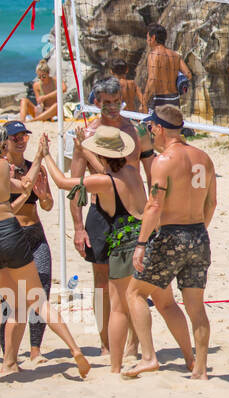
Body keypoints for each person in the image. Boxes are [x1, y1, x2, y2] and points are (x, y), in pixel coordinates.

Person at [41, 128, 145, 374]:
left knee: (119, 303)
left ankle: (116, 363)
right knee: (142, 298)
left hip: (122, 242)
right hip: (140, 237)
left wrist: (46, 155)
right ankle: (145, 353)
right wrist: (85, 148)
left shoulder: (103, 180)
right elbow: (105, 172)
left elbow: (62, 183)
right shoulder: (131, 172)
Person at [123, 105, 213, 380]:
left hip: (171, 234)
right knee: (195, 306)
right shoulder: (204, 158)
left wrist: (141, 243)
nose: (149, 132)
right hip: (198, 234)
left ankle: (148, 357)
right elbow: (212, 203)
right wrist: (197, 231)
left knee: (135, 293)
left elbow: (154, 205)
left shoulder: (164, 160)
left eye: (150, 127)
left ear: (160, 128)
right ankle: (198, 368)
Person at [0, 133, 91, 379]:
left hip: (22, 233)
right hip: (10, 231)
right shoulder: (4, 166)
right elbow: (26, 185)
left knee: (17, 300)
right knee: (35, 299)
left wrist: (37, 162)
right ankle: (73, 349)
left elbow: (34, 191)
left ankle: (14, 360)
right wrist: (42, 156)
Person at [69, 76, 143, 351]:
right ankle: (105, 343)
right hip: (100, 212)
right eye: (107, 102)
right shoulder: (87, 135)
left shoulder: (134, 132)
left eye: (117, 101)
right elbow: (76, 185)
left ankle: (135, 341)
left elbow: (147, 174)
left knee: (132, 281)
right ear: (97, 102)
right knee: (100, 280)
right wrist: (78, 227)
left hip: (130, 213)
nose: (113, 107)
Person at [2, 121, 54, 364]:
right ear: (6, 142)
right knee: (7, 297)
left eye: (24, 136)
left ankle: (35, 350)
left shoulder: (35, 169)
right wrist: (26, 192)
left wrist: (43, 198)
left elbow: (48, 205)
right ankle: (7, 352)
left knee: (41, 291)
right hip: (11, 236)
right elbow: (9, 209)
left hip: (35, 234)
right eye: (16, 138)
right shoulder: (3, 170)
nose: (21, 141)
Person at [141, 24, 191, 109]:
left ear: (152, 38)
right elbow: (188, 74)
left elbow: (152, 79)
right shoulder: (175, 55)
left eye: (147, 37)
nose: (147, 40)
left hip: (161, 100)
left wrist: (143, 102)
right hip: (175, 100)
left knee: (151, 122)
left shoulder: (154, 54)